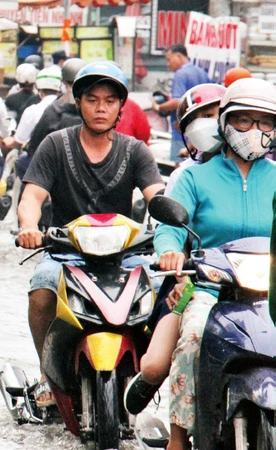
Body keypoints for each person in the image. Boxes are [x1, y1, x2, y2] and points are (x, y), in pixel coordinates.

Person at [125, 78, 276, 450]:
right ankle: (179, 437)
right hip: (210, 287)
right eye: (244, 121)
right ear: (225, 123)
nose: (254, 131)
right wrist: (170, 251)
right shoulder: (195, 177)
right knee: (193, 337)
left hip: (270, 288)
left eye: (265, 123)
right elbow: (168, 227)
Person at [16, 62, 165, 407]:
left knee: (166, 296)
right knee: (40, 293)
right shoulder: (55, 145)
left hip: (126, 254)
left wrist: (171, 224)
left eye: (110, 101)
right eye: (93, 99)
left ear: (120, 107)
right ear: (79, 102)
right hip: (66, 252)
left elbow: (156, 196)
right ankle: (47, 374)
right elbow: (32, 197)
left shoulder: (135, 150)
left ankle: (149, 375)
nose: (101, 108)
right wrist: (28, 227)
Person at [122, 85, 225, 418]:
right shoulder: (186, 176)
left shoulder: (263, 175)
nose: (210, 124)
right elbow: (170, 231)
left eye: (215, 115)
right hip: (192, 281)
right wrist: (178, 270)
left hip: (252, 282)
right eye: (201, 118)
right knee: (154, 366)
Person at [151, 44, 210, 161]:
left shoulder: (181, 74)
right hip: (201, 131)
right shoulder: (201, 72)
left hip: (182, 131)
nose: (168, 64)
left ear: (178, 56)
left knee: (180, 166)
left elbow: (178, 101)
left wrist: (158, 107)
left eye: (169, 59)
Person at [6, 66, 62, 149]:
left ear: (38, 86)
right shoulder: (69, 109)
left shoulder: (32, 111)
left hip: (36, 158)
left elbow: (19, 141)